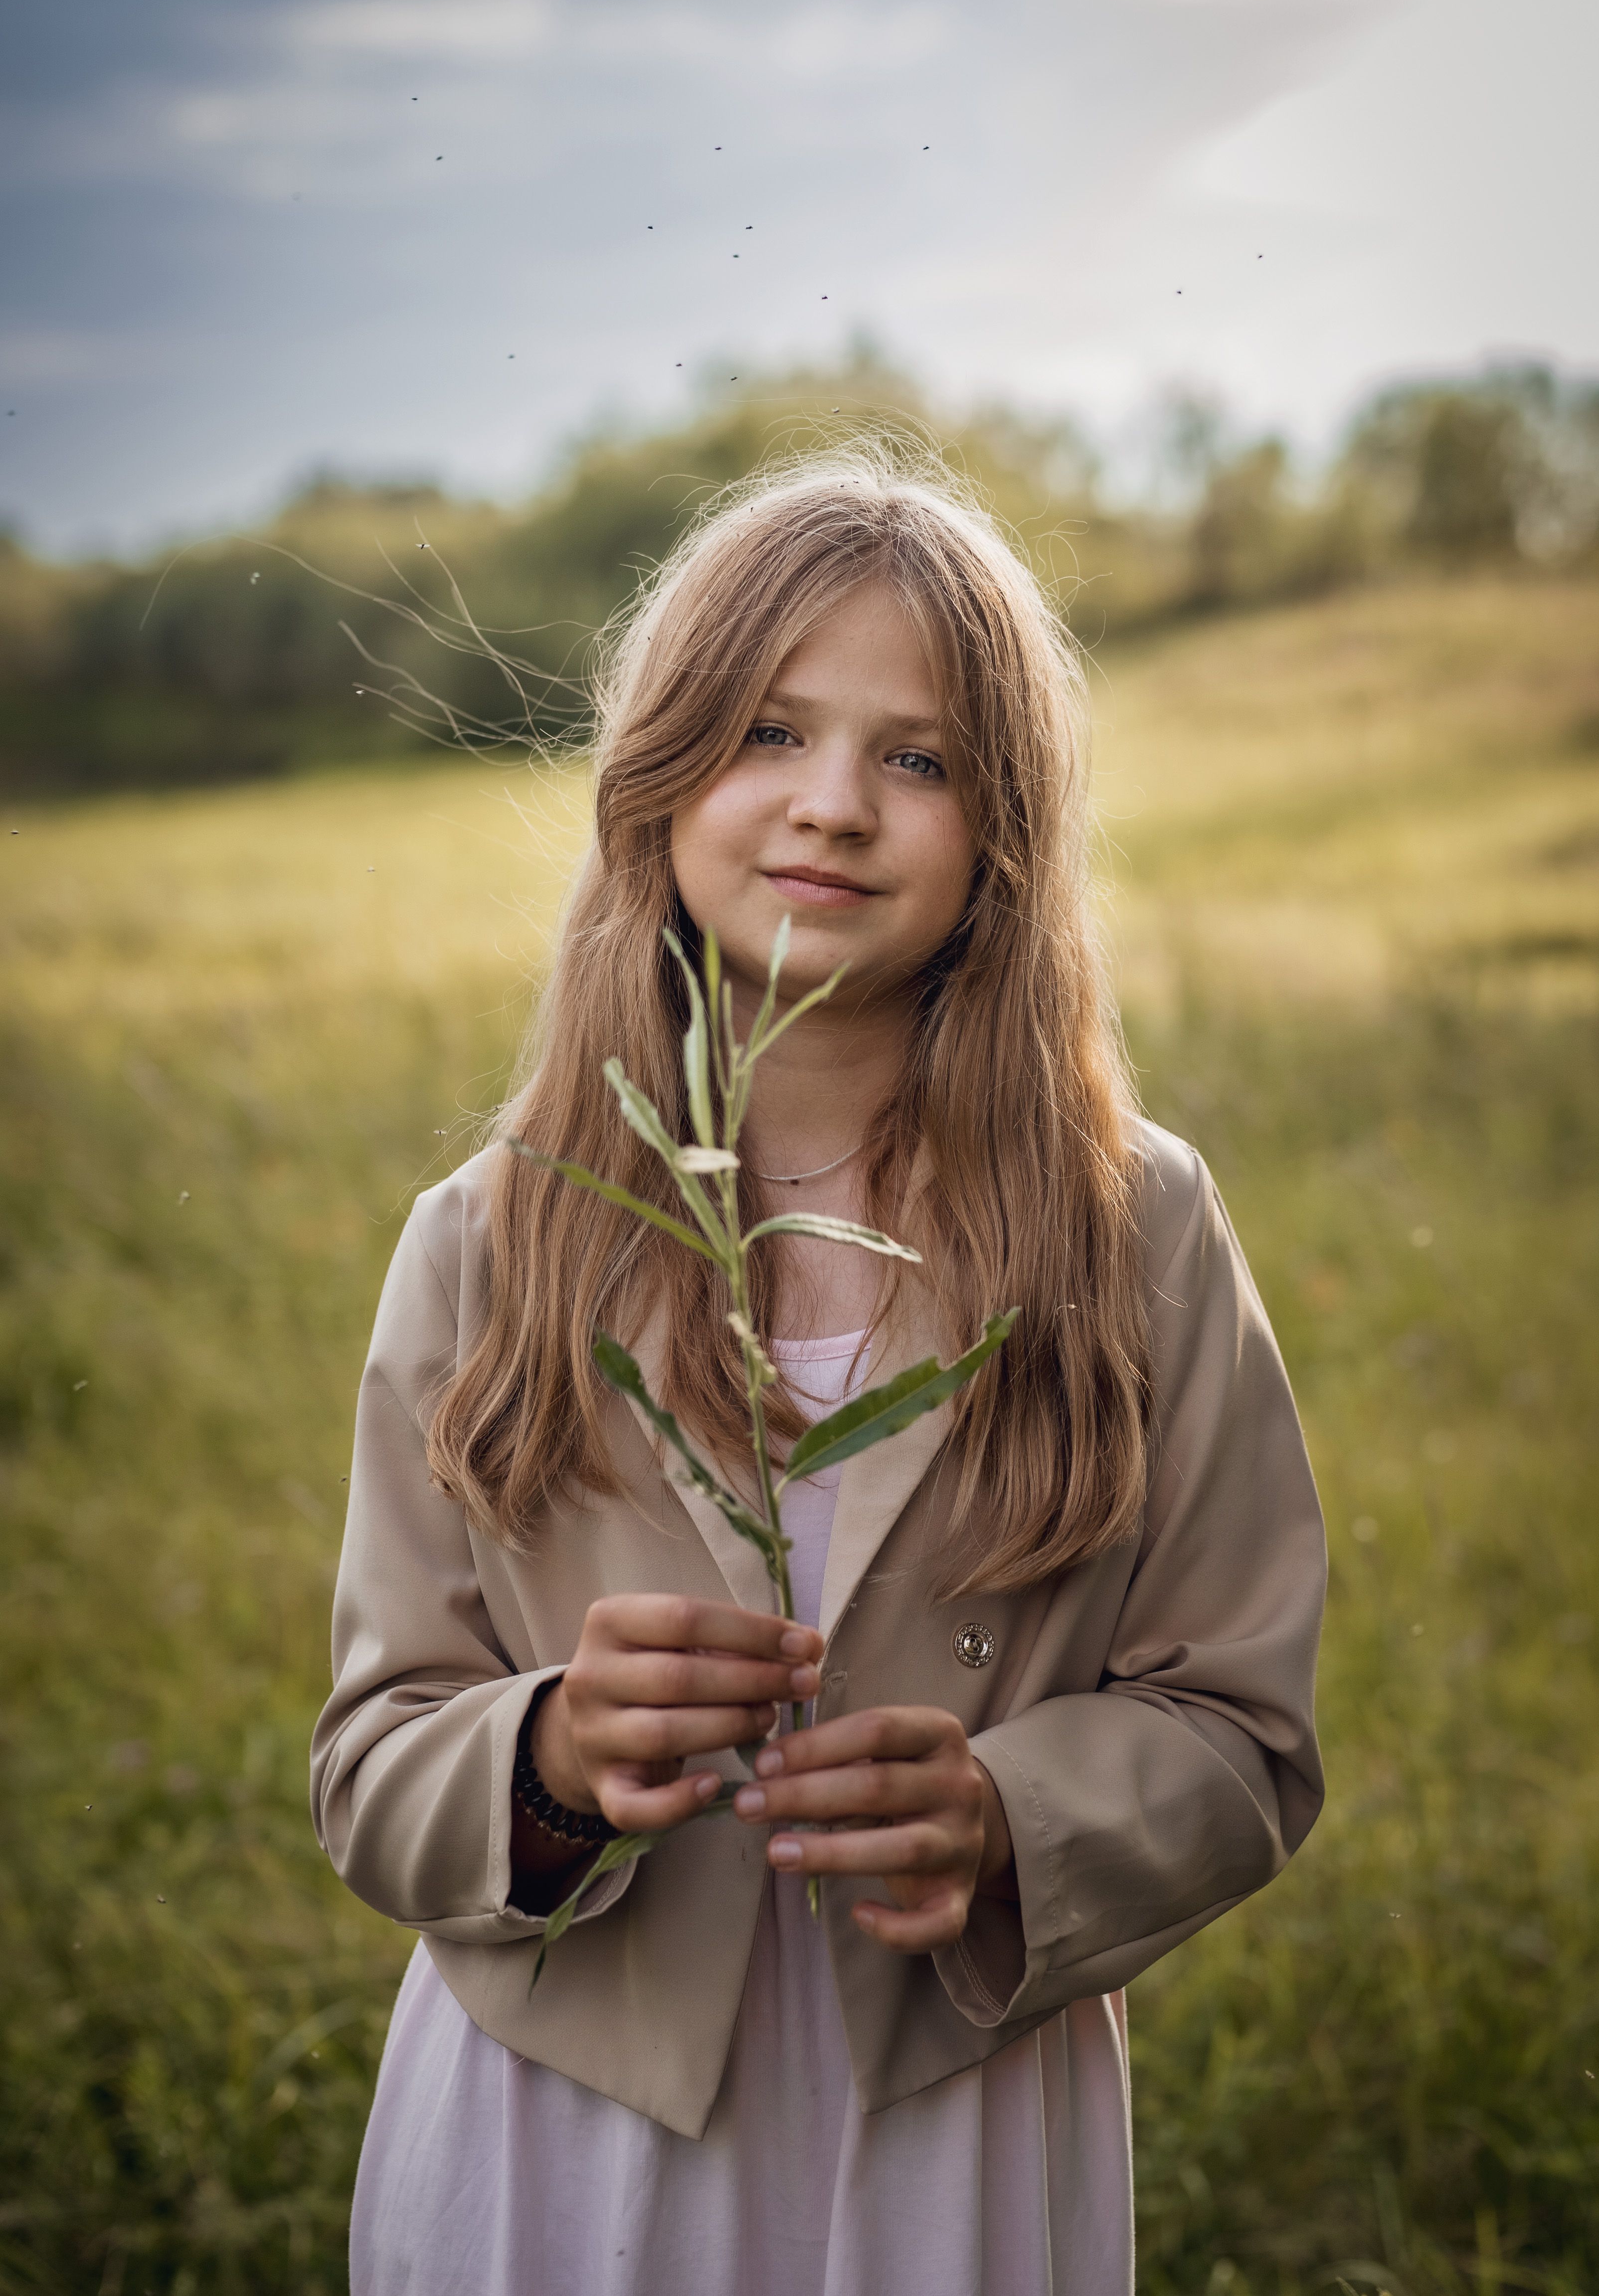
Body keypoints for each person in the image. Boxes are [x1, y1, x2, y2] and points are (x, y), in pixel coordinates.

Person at [311, 455, 1327, 2296]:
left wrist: (1013, 1817)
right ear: (659, 777)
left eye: (920, 759)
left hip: (943, 2127)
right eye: (769, 729)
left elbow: (1242, 1732)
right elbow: (374, 1766)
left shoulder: (1130, 1226)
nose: (835, 808)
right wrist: (544, 1759)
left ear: (1003, 830)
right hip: (563, 2131)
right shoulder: (490, 1234)